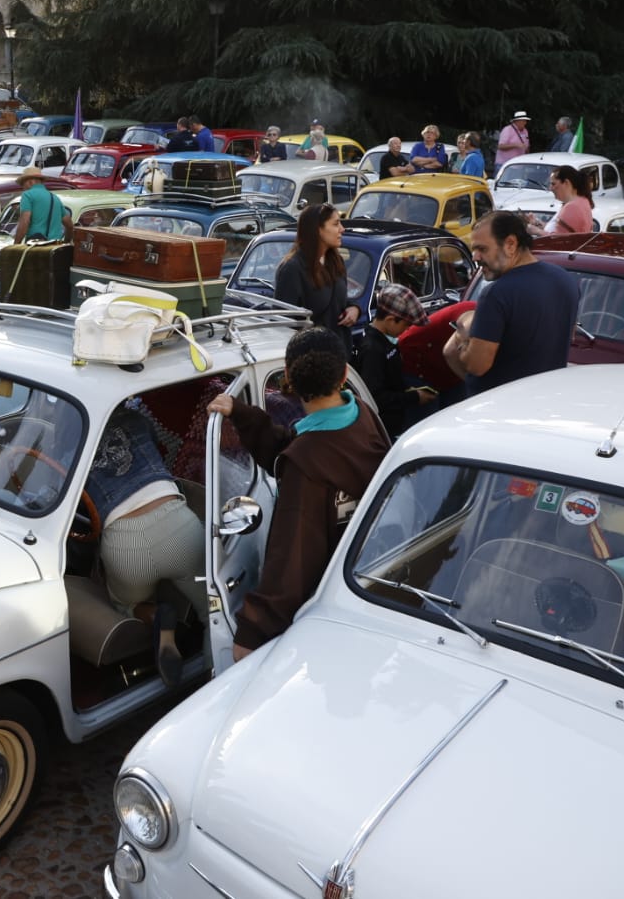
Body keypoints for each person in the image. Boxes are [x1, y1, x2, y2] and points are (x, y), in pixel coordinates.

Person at [207, 327, 390, 658]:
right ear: (345, 374)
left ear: (288, 378)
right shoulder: (364, 417)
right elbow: (296, 450)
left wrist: (252, 634)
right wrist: (244, 414)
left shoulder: (304, 469)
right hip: (367, 587)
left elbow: (290, 561)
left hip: (323, 614)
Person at [84, 403, 207, 687]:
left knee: (122, 603)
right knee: (214, 607)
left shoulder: (72, 436)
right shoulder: (135, 418)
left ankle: (154, 616)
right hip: (178, 526)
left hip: (124, 546)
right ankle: (220, 681)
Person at [445, 211, 579, 395]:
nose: (475, 257)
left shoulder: (496, 294)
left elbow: (477, 366)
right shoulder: (566, 279)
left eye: (482, 249)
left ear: (510, 244)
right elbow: (570, 337)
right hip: (545, 400)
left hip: (498, 409)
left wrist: (462, 339)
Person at [355, 282, 435, 438]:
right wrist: (414, 398)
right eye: (406, 325)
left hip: (397, 418)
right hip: (385, 427)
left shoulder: (387, 341)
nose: (407, 330)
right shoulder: (372, 349)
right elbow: (374, 397)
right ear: (391, 320)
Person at [274, 203, 360, 331]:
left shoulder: (336, 261)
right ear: (318, 229)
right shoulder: (292, 269)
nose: (342, 229)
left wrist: (354, 309)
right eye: (336, 224)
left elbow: (338, 301)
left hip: (340, 348)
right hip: (312, 349)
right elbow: (284, 322)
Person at [14, 166, 72, 243]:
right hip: (55, 247)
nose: (23, 188)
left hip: (36, 246)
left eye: (22, 184)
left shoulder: (27, 195)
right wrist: (66, 242)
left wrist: (15, 245)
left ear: (30, 182)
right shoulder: (55, 198)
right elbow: (70, 226)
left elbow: (24, 222)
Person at [531, 163, 593, 235]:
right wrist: (536, 223)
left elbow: (558, 240)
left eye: (553, 184)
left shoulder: (572, 207)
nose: (550, 188)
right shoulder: (582, 201)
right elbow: (557, 231)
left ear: (566, 183)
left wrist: (536, 231)